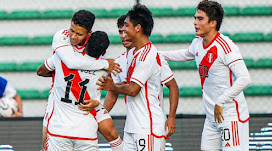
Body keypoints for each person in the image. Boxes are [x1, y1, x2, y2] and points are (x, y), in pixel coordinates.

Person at [159, 0, 251, 150]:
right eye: (195, 18)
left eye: (200, 19)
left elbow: (245, 79)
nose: (195, 22)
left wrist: (221, 101)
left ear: (213, 23)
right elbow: (185, 54)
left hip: (230, 116)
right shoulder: (197, 42)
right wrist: (155, 54)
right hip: (211, 118)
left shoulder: (226, 46)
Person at [80, 14, 179, 138]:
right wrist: (99, 117)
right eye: (120, 32)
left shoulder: (152, 56)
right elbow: (113, 93)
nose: (123, 35)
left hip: (150, 126)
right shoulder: (119, 61)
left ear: (136, 29)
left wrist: (171, 117)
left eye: (126, 30)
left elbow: (172, 85)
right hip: (131, 126)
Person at [37, 10, 123, 151]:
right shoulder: (61, 37)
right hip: (60, 95)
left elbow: (87, 64)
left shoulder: (95, 43)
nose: (73, 36)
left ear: (89, 33)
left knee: (110, 130)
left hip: (85, 98)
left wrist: (96, 102)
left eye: (79, 34)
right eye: (72, 30)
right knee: (45, 138)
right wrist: (106, 64)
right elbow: (71, 62)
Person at [97, 4, 170, 151]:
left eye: (127, 26)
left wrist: (111, 86)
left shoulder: (147, 55)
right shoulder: (132, 54)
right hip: (133, 126)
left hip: (147, 128)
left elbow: (133, 89)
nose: (124, 31)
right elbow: (121, 86)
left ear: (137, 28)